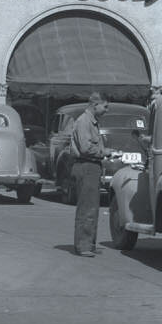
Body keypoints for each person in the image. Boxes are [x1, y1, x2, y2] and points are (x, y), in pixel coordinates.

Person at [69, 92, 109, 256]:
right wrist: (104, 151)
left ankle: (89, 243)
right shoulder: (84, 122)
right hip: (86, 166)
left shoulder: (92, 122)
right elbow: (86, 148)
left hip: (92, 166)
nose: (107, 110)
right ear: (95, 105)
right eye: (105, 106)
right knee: (87, 207)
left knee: (92, 207)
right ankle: (83, 245)